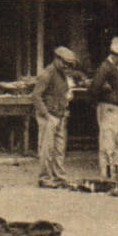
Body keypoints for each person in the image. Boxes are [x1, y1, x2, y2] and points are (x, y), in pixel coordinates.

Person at [30, 46, 83, 187]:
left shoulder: (62, 74)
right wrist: (46, 115)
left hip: (59, 114)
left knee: (59, 148)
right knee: (47, 148)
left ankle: (59, 176)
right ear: (57, 59)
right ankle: (45, 178)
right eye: (65, 63)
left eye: (69, 64)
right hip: (49, 115)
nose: (67, 66)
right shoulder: (47, 74)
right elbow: (36, 96)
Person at [89, 36, 118, 182]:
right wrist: (103, 98)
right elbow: (95, 88)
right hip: (110, 108)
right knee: (108, 143)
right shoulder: (105, 67)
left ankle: (115, 172)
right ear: (113, 54)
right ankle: (107, 175)